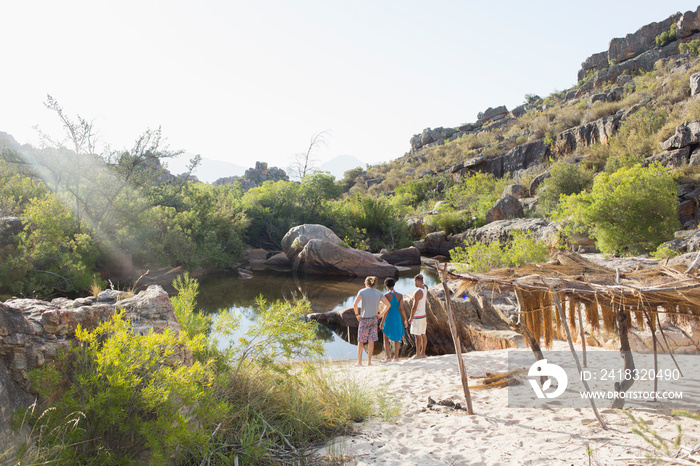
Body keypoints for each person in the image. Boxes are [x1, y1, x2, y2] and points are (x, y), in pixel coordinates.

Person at [353, 276, 390, 366]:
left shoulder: (362, 291)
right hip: (374, 319)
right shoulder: (379, 293)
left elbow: (355, 304)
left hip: (364, 319)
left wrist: (357, 315)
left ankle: (360, 362)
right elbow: (388, 305)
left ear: (366, 283)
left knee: (361, 341)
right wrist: (381, 314)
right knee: (371, 340)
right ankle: (369, 361)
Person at [380, 277, 408, 362]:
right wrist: (406, 319)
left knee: (385, 337)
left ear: (386, 286)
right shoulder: (400, 295)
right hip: (397, 317)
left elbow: (386, 310)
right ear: (394, 285)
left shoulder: (386, 296)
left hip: (388, 317)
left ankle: (388, 357)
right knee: (397, 338)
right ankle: (396, 357)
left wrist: (382, 321)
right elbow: (402, 309)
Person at [408, 273, 429, 358]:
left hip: (417, 316)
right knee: (423, 335)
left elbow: (414, 307)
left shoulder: (417, 292)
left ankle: (417, 354)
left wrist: (411, 317)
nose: (414, 283)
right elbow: (425, 284)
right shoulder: (425, 288)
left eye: (414, 282)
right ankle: (423, 353)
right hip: (423, 315)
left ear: (417, 281)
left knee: (417, 336)